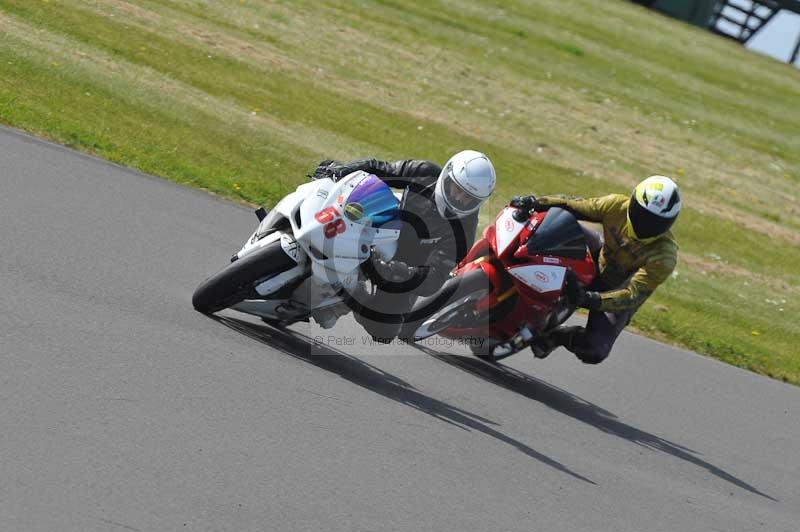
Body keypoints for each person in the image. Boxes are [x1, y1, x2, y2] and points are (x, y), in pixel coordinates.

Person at [311, 150, 496, 342]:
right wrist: (342, 170)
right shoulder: (425, 173)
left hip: (404, 266)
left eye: (468, 198)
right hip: (384, 226)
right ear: (447, 176)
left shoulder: (464, 232)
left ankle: (348, 295)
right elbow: (380, 169)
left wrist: (395, 271)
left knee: (384, 330)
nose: (459, 199)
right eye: (457, 189)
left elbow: (434, 278)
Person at [509, 175, 681, 364]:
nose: (645, 225)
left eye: (655, 222)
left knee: (595, 350)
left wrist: (588, 299)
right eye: (642, 214)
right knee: (551, 224)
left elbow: (632, 295)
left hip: (618, 294)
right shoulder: (616, 206)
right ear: (632, 202)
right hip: (598, 255)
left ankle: (559, 336)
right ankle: (509, 264)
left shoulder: (665, 256)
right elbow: (572, 205)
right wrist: (536, 202)